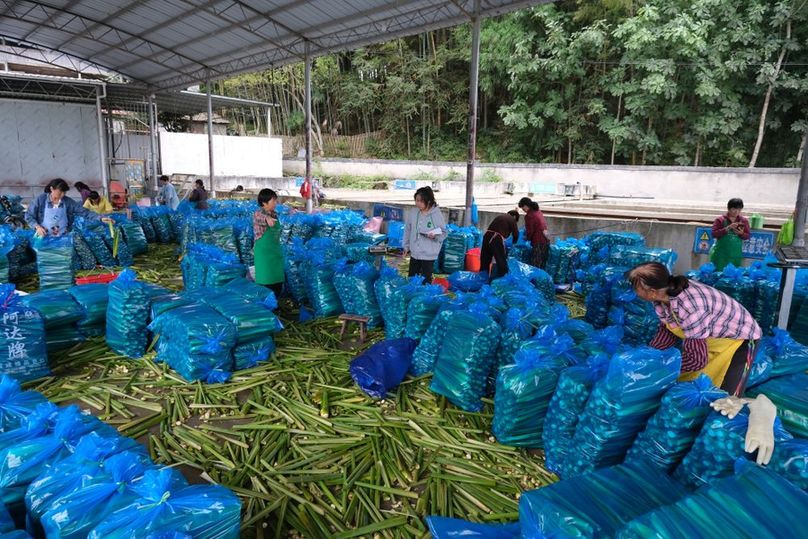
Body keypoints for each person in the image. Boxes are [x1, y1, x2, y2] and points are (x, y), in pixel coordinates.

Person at [627, 262, 761, 396]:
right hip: (711, 340)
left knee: (726, 396)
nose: (634, 292)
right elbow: (668, 330)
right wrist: (650, 356)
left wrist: (661, 368)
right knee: (699, 390)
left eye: (635, 287)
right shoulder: (662, 298)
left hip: (741, 339)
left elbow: (696, 360)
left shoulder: (691, 306)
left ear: (651, 292)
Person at [25, 178, 111, 237]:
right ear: (52, 189)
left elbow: (84, 212)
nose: (62, 195)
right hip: (45, 238)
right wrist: (37, 227)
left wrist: (100, 218)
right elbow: (29, 216)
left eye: (64, 192)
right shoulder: (40, 200)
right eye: (60, 192)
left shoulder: (67, 202)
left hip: (63, 237)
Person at [403, 186, 446, 283]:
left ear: (429, 201)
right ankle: (413, 296)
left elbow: (443, 233)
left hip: (428, 254)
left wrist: (435, 236)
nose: (417, 203)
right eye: (416, 200)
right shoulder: (413, 212)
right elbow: (408, 230)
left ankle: (423, 296)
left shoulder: (436, 214)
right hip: (415, 253)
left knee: (425, 281)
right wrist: (406, 246)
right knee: (412, 279)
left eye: (420, 201)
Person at [253, 188, 284, 297]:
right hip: (264, 255)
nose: (275, 203)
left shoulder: (274, 214)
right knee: (266, 281)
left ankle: (276, 302)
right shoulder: (259, 213)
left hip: (275, 253)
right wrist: (267, 219)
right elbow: (259, 216)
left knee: (277, 281)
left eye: (276, 200)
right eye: (273, 201)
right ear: (264, 203)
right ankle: (267, 304)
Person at [710, 198, 750, 271]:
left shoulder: (743, 221)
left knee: (732, 275)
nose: (736, 211)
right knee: (718, 273)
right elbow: (714, 234)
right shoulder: (720, 220)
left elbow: (747, 236)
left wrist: (741, 234)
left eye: (739, 209)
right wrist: (727, 228)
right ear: (729, 208)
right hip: (720, 254)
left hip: (735, 254)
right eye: (734, 209)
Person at [480, 210, 519, 281]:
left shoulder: (501, 217)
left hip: (487, 236)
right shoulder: (512, 219)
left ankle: (482, 279)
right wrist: (514, 244)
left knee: (485, 260)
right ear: (514, 217)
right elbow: (516, 234)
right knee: (501, 260)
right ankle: (503, 280)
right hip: (496, 238)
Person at [519, 197, 550, 268]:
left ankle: (536, 278)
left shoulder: (529, 216)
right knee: (542, 263)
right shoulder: (538, 211)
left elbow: (530, 231)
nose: (523, 210)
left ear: (526, 205)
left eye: (523, 208)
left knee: (535, 264)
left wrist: (526, 238)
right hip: (545, 240)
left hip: (538, 242)